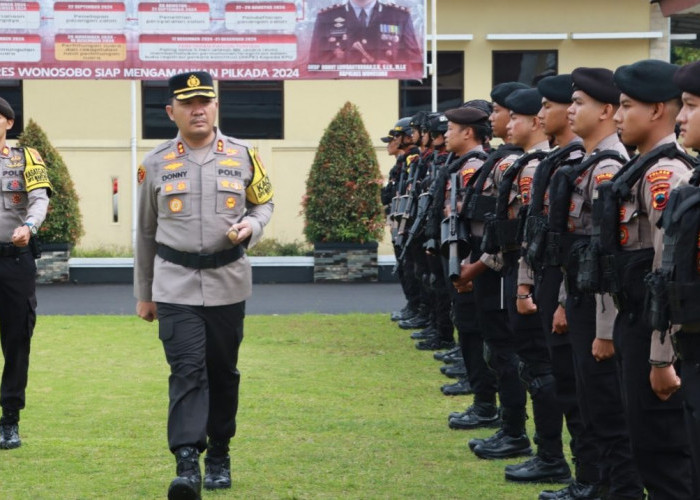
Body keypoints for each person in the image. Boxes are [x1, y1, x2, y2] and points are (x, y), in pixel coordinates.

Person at [134, 71, 274, 500]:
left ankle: (220, 454)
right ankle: (187, 463)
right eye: (188, 103)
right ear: (171, 111)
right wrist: (144, 292)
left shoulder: (244, 155)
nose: (198, 109)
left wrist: (251, 224)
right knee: (187, 371)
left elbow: (263, 202)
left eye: (205, 102)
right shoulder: (154, 163)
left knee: (223, 372)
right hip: (174, 285)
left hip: (227, 282)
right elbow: (144, 233)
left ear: (216, 107)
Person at [583, 59, 695, 499]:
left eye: (627, 105)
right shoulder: (641, 167)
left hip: (655, 331)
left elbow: (669, 270)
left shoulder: (666, 174)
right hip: (635, 323)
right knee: (643, 443)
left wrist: (660, 356)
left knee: (664, 452)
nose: (618, 115)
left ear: (656, 111)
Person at [539, 67, 644, 500]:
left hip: (603, 307)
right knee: (588, 400)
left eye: (579, 102)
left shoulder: (607, 168)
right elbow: (578, 253)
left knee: (606, 406)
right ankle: (595, 484)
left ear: (603, 110)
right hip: (580, 296)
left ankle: (612, 488)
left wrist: (603, 327)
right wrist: (566, 299)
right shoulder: (584, 162)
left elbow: (607, 255)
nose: (571, 109)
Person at [0, 97, 51, 450]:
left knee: (17, 341)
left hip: (13, 260)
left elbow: (40, 200)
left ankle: (9, 420)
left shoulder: (25, 159)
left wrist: (30, 226)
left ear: (7, 121)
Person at [309, 0, 421, 65]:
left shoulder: (399, 16)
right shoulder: (326, 17)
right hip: (341, 86)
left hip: (384, 88)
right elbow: (315, 63)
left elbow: (413, 61)